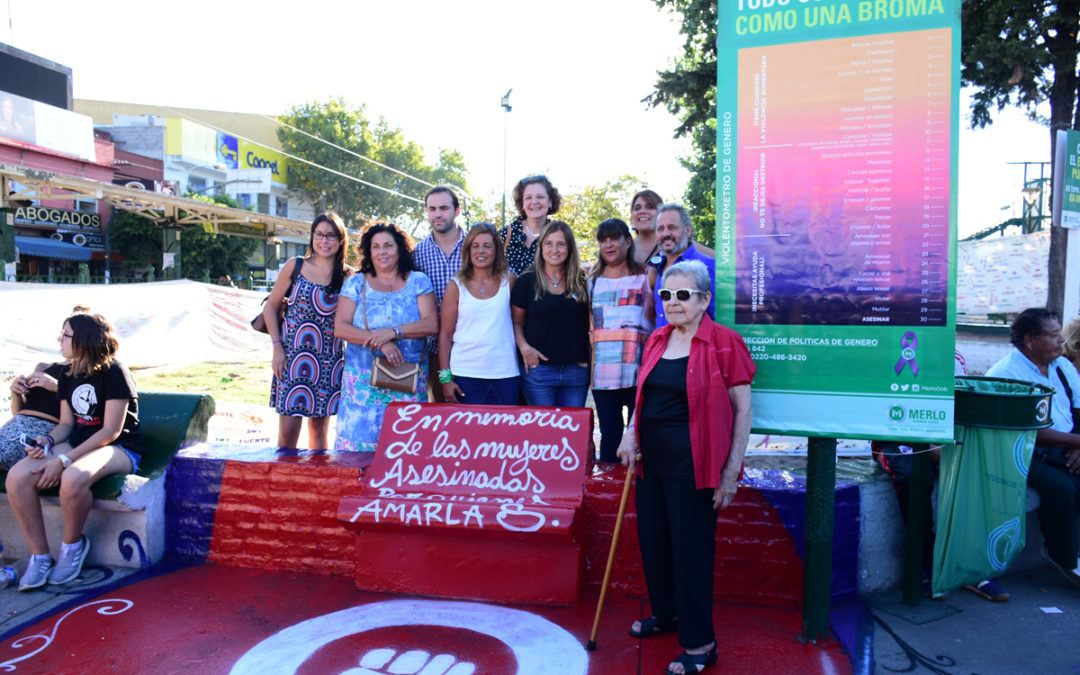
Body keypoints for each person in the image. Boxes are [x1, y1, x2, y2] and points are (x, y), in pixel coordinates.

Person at [617, 259, 754, 675]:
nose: (673, 303)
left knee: (691, 554)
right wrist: (628, 433)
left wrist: (731, 473)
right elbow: (644, 398)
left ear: (704, 299)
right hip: (651, 464)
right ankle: (666, 614)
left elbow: (743, 411)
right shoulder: (658, 338)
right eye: (666, 295)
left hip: (696, 467)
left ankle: (700, 644)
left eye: (683, 295)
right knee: (655, 545)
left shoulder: (724, 342)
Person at [5, 312, 144, 591]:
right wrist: (47, 440)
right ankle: (40, 556)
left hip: (118, 449)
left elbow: (110, 431)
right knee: (18, 477)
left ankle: (72, 548)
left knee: (72, 478)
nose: (60, 339)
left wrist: (65, 460)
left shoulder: (115, 371)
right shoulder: (68, 372)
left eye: (65, 335)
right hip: (79, 442)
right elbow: (67, 424)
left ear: (82, 341)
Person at [986, 308, 1080, 587]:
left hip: (1065, 444)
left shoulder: (1062, 367)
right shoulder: (1006, 374)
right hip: (1021, 452)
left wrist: (1078, 446)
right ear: (1030, 340)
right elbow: (1028, 432)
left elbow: (1078, 410)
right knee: (1061, 489)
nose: (1061, 340)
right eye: (1053, 335)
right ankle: (1063, 558)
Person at [334, 223, 437, 452]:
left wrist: (393, 331)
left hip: (408, 379)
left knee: (407, 449)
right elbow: (340, 327)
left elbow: (431, 323)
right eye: (376, 246)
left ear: (400, 249)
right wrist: (380, 340)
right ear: (368, 252)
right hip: (362, 387)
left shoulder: (418, 281)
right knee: (358, 456)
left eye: (388, 245)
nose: (382, 252)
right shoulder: (355, 284)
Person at [264, 212, 350, 450]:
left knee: (319, 435)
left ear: (341, 240)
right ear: (312, 237)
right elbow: (270, 308)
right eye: (319, 234)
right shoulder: (295, 266)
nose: (325, 241)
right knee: (288, 434)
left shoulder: (348, 275)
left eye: (331, 236)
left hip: (328, 361)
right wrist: (276, 348)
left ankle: (314, 486)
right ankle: (284, 482)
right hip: (292, 358)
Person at [589, 218, 654, 462]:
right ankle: (610, 491)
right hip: (603, 376)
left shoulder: (647, 277)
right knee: (610, 435)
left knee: (640, 435)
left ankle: (640, 492)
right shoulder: (592, 281)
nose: (609, 244)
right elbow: (590, 329)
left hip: (639, 372)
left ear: (628, 241)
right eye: (603, 240)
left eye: (614, 238)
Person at [511, 221, 591, 407]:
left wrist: (587, 358)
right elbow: (516, 323)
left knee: (571, 434)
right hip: (539, 371)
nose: (554, 249)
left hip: (575, 373)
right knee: (544, 434)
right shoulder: (526, 281)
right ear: (541, 247)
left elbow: (591, 324)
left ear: (570, 247)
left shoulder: (582, 281)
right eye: (548, 243)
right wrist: (525, 349)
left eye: (561, 244)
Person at [438, 223, 519, 405]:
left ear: (496, 250)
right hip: (465, 374)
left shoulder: (510, 281)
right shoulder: (456, 285)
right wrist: (446, 379)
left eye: (487, 246)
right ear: (468, 250)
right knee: (466, 434)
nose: (480, 251)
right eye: (475, 246)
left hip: (505, 374)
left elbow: (519, 324)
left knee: (504, 433)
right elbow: (445, 334)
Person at [413, 186, 465, 402]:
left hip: (472, 346)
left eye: (444, 208)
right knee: (443, 417)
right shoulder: (417, 254)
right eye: (432, 209)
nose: (438, 214)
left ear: (457, 210)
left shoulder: (477, 248)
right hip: (434, 350)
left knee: (478, 419)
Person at [649, 204, 716, 328]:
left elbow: (716, 318)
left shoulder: (708, 266)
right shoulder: (657, 268)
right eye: (660, 229)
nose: (665, 234)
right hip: (663, 346)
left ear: (687, 230)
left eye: (672, 228)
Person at [501, 175, 562, 276]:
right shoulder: (506, 234)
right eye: (528, 198)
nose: (534, 202)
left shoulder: (559, 235)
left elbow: (572, 269)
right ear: (522, 204)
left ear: (550, 201)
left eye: (540, 197)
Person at [630, 189, 663, 267]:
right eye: (637, 208)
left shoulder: (677, 245)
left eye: (650, 207)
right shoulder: (623, 249)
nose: (642, 211)